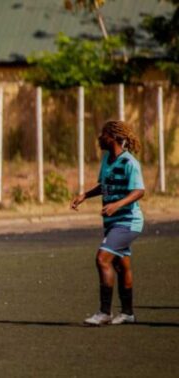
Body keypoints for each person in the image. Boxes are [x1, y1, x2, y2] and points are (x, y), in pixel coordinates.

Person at [71, 120, 144, 326]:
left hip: (128, 221)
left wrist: (118, 205)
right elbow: (104, 186)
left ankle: (104, 312)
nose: (99, 137)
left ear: (113, 137)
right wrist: (84, 195)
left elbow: (139, 191)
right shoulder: (106, 159)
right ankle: (128, 313)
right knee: (121, 265)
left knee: (103, 259)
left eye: (103, 133)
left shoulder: (129, 162)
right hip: (113, 222)